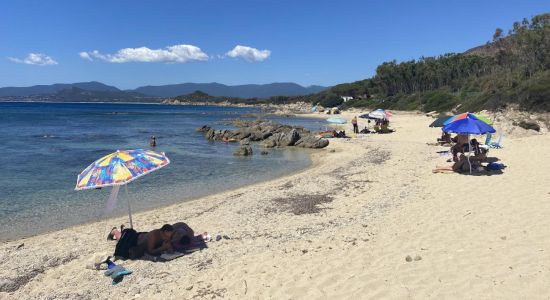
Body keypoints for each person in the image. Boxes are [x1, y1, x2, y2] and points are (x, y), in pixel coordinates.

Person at [111, 224, 175, 259]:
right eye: (166, 236)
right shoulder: (153, 236)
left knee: (125, 234)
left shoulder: (165, 235)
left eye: (169, 236)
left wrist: (168, 247)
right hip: (134, 240)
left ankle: (123, 229)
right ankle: (114, 230)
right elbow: (150, 251)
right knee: (120, 239)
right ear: (162, 232)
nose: (168, 238)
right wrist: (163, 248)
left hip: (143, 236)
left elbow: (169, 247)